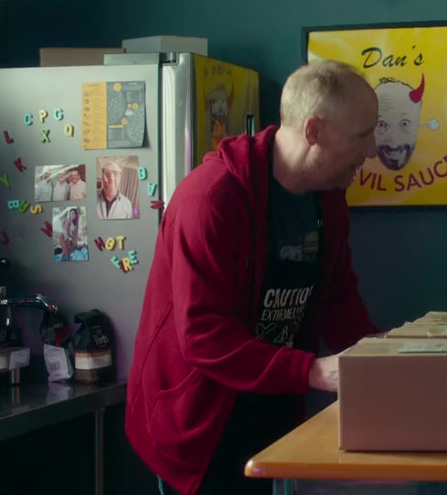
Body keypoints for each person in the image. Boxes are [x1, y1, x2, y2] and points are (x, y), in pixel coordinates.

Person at [126, 60, 383, 495]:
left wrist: (379, 355)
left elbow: (338, 297)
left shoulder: (328, 201)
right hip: (199, 428)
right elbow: (203, 335)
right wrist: (312, 370)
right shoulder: (209, 200)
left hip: (273, 414)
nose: (372, 150)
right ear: (314, 131)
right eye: (363, 135)